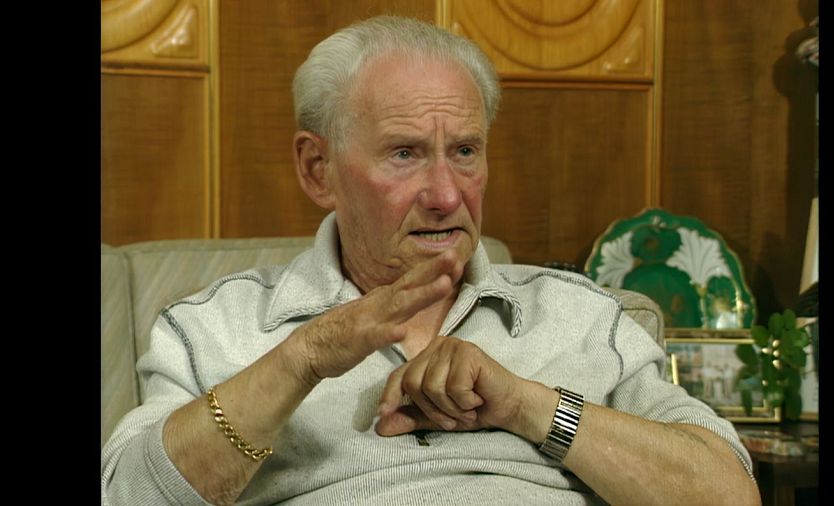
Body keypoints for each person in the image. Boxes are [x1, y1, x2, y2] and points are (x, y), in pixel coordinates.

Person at [101, 15, 761, 506]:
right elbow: (130, 496)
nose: (447, 195)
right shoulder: (215, 328)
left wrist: (526, 406)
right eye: (405, 154)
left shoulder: (580, 317)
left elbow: (728, 495)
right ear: (317, 168)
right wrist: (305, 357)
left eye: (465, 151)